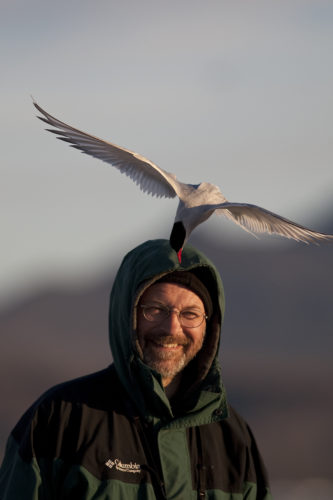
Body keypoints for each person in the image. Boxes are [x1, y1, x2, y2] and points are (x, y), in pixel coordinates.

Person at [0, 239, 272, 499]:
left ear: (209, 327)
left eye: (190, 314)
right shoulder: (60, 421)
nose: (172, 329)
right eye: (155, 309)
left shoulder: (233, 438)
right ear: (126, 313)